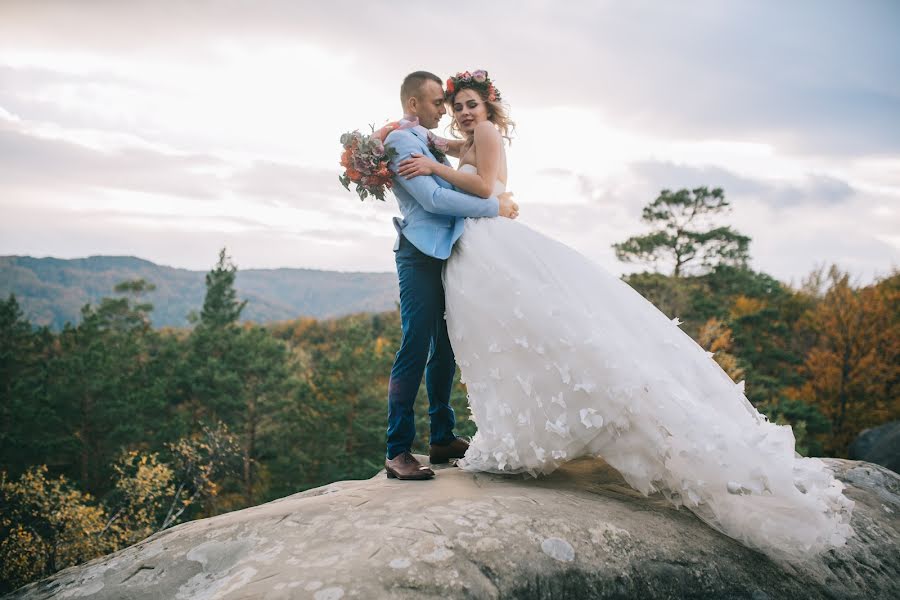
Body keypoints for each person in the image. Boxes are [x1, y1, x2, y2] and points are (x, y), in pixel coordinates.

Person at [394, 69, 855, 561]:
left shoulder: (482, 134)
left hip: (489, 243)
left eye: (469, 104)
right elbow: (431, 139)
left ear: (488, 108)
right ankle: (504, 431)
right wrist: (393, 136)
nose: (461, 112)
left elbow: (485, 189)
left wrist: (441, 170)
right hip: (475, 249)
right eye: (455, 104)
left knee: (536, 332)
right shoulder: (450, 136)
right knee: (509, 339)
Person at [381, 71, 519, 481]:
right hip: (420, 255)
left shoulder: (422, 137)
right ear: (413, 104)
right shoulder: (401, 141)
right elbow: (434, 199)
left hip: (452, 251)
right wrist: (497, 206)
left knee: (445, 347)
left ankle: (442, 435)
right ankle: (397, 450)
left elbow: (466, 146)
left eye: (455, 104)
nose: (447, 111)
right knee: (415, 345)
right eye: (439, 103)